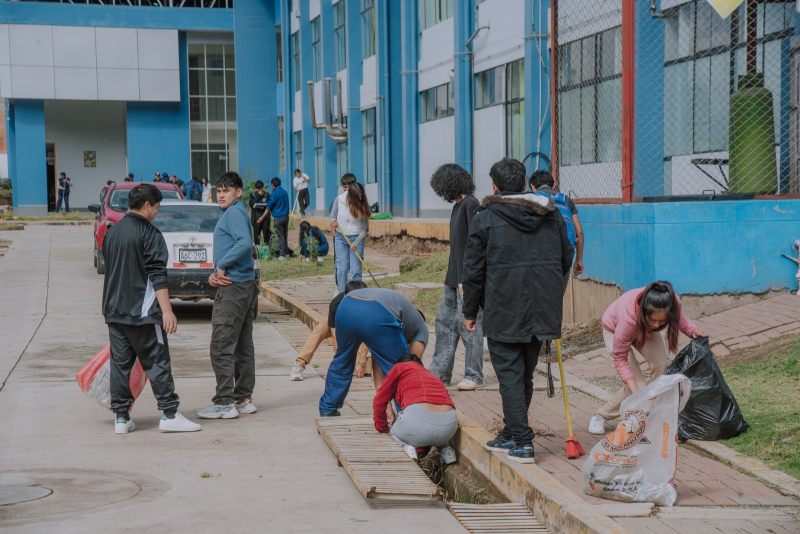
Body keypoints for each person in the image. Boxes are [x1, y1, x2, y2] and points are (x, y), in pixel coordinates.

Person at [462, 158, 573, 464]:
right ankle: (512, 432)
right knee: (522, 374)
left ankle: (523, 442)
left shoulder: (485, 217)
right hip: (541, 306)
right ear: (525, 185)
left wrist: (469, 310)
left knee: (510, 375)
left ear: (494, 187)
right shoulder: (550, 215)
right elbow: (566, 257)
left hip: (504, 306)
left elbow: (473, 270)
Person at [102, 183, 201, 434]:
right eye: (156, 207)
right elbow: (157, 274)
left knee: (121, 365)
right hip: (143, 313)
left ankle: (122, 418)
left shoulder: (112, 233)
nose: (157, 212)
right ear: (146, 205)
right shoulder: (150, 234)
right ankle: (170, 414)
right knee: (157, 362)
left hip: (114, 311)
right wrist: (167, 310)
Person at [588, 282, 705, 435]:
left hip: (644, 329)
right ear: (644, 312)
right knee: (638, 385)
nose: (657, 325)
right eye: (654, 320)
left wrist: (692, 330)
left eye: (662, 321)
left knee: (661, 365)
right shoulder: (628, 318)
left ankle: (651, 413)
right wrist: (635, 390)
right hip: (616, 329)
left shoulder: (672, 303)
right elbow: (620, 357)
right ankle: (600, 415)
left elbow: (678, 318)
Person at [199, 171, 260, 420]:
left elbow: (244, 243)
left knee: (221, 346)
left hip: (234, 288)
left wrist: (221, 266)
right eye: (219, 190)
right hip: (244, 285)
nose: (221, 195)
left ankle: (224, 402)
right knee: (242, 345)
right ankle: (242, 398)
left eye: (227, 190)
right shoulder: (236, 212)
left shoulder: (234, 212)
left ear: (238, 192)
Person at [319, 288, 429, 418]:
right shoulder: (421, 329)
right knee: (404, 372)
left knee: (342, 359)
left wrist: (385, 407)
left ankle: (328, 409)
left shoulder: (401, 314)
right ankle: (408, 416)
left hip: (346, 305)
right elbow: (411, 368)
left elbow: (379, 368)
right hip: (377, 311)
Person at [427, 164, 484, 391]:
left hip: (466, 277)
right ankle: (439, 373)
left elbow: (476, 244)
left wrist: (469, 278)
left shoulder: (471, 204)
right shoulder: (458, 206)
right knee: (443, 323)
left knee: (469, 325)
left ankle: (473, 374)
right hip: (453, 277)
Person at [374, 354, 459, 463]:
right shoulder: (430, 375)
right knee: (436, 429)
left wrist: (382, 428)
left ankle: (407, 448)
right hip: (449, 426)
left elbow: (379, 400)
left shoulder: (399, 368)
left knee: (393, 432)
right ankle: (447, 451)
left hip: (418, 424)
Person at [290, 280, 369, 381]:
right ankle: (300, 363)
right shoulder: (335, 304)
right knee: (320, 329)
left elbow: (368, 335)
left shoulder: (368, 305)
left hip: (359, 327)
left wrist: (362, 362)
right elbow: (335, 335)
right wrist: (339, 362)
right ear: (344, 296)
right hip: (342, 324)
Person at [529, 170, 584, 291]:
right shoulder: (566, 199)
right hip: (564, 258)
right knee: (557, 300)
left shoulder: (531, 199)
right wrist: (579, 260)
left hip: (539, 259)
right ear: (553, 185)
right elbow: (579, 232)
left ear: (532, 187)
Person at [330, 182, 370, 292]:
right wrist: (333, 223)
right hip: (341, 237)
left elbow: (364, 229)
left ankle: (355, 295)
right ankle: (341, 294)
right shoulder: (339, 200)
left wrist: (356, 243)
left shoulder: (362, 205)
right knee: (342, 268)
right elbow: (332, 216)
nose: (360, 199)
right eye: (358, 197)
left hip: (357, 238)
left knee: (356, 270)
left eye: (362, 196)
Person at [260, 177, 290, 259]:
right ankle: (286, 252)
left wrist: (262, 217)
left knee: (280, 236)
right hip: (286, 216)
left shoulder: (274, 194)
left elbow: (269, 207)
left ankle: (282, 255)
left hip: (278, 218)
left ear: (272, 185)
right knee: (284, 235)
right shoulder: (284, 192)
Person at [249, 180, 271, 245]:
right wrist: (258, 196)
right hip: (256, 218)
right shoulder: (253, 195)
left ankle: (266, 251)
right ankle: (257, 251)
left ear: (263, 187)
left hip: (265, 218)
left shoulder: (267, 195)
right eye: (257, 189)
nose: (259, 190)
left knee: (266, 235)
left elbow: (270, 205)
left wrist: (263, 207)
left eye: (260, 189)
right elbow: (251, 204)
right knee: (256, 236)